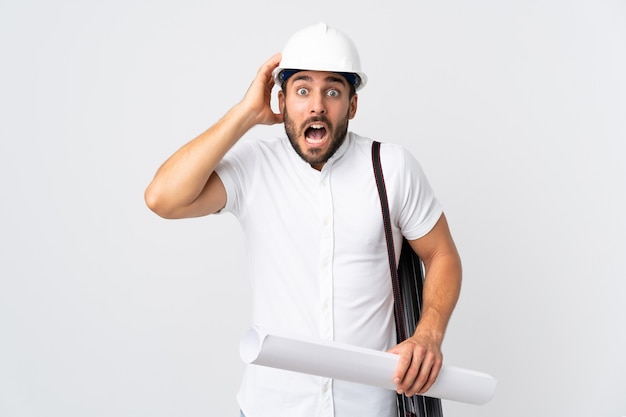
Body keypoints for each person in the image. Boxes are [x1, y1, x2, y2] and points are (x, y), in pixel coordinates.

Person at [145, 22, 462, 417]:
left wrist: (429, 334)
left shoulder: (392, 167)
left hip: (369, 407)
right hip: (270, 407)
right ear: (281, 101)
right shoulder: (254, 168)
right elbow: (162, 198)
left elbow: (441, 254)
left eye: (332, 91)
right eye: (302, 90)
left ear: (352, 105)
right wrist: (245, 113)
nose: (316, 106)